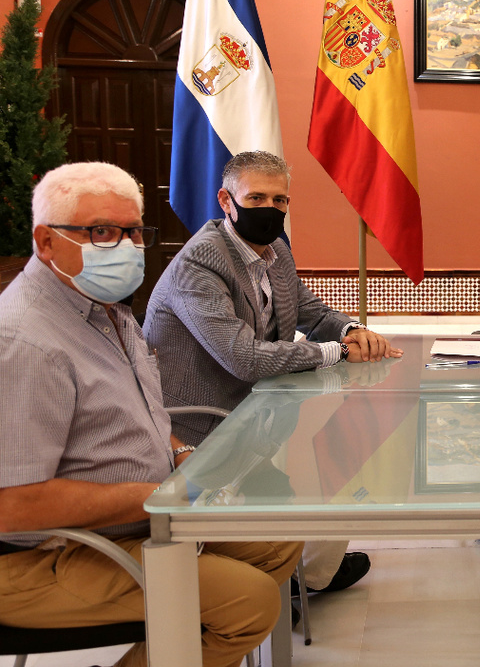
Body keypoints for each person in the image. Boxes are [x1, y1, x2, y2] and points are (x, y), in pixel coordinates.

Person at [0, 162, 303, 667]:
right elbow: (14, 506)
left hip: (141, 521)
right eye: (101, 231)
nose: (125, 246)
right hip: (43, 557)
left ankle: (177, 644)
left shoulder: (104, 307)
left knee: (278, 539)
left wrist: (182, 457)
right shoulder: (25, 341)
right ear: (46, 242)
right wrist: (159, 498)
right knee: (248, 602)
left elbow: (142, 416)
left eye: (133, 231)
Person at [144, 150, 400, 595]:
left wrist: (353, 329)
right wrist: (337, 351)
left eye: (280, 200)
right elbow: (245, 358)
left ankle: (302, 576)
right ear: (226, 201)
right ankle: (291, 580)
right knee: (312, 492)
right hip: (198, 432)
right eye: (256, 197)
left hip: (257, 418)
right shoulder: (199, 264)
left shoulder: (275, 249)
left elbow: (307, 311)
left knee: (331, 484)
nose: (270, 209)